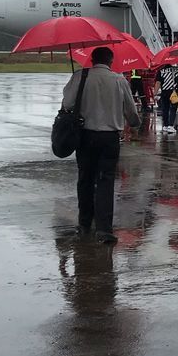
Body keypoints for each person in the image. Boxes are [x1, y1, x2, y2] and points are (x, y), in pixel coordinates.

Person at [61, 46, 140, 243]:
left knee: (85, 179)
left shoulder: (81, 76)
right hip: (109, 138)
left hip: (85, 136)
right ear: (110, 61)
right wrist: (135, 123)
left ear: (92, 60)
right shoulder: (119, 80)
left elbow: (67, 104)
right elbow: (131, 112)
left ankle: (84, 223)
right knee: (105, 182)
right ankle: (104, 229)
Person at [156, 60, 178, 135]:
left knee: (165, 108)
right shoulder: (176, 70)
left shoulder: (161, 71)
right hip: (174, 92)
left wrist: (155, 93)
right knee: (173, 108)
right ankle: (171, 125)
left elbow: (158, 82)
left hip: (164, 92)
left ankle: (166, 125)